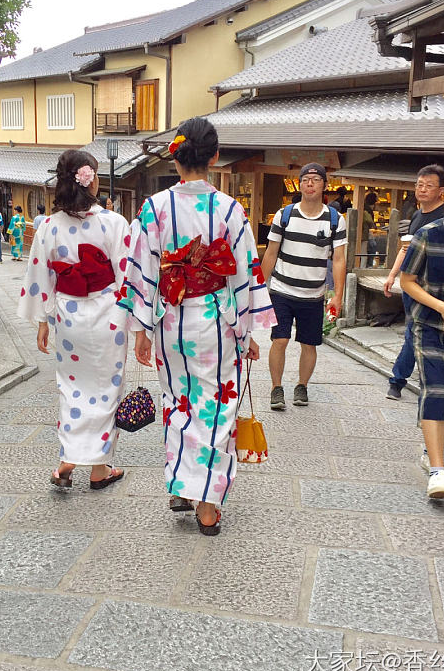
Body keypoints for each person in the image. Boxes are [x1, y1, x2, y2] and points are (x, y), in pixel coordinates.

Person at [119, 117, 274, 536]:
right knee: (217, 407)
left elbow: (142, 272)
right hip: (216, 322)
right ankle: (207, 505)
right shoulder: (230, 209)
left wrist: (141, 331)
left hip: (171, 320)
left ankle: (181, 485)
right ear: (215, 156)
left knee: (179, 402)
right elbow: (243, 273)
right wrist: (246, 333)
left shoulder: (154, 208)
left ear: (178, 155)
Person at [17, 150, 130, 490]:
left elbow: (40, 276)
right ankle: (98, 469)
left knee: (71, 389)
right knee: (107, 390)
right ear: (91, 178)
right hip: (109, 316)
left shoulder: (49, 227)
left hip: (68, 317)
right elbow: (127, 277)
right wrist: (140, 326)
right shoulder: (114, 223)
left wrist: (42, 321)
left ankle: (68, 459)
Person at [399, 167, 444, 499]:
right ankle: (438, 472)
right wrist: (441, 306)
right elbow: (408, 281)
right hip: (428, 324)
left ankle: (431, 449)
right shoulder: (428, 234)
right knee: (436, 389)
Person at [261, 162, 347, 410]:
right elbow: (271, 253)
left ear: (324, 185)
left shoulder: (334, 219)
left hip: (314, 293)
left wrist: (337, 295)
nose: (310, 184)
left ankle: (302, 385)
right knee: (280, 339)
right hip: (282, 289)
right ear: (299, 184)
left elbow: (339, 259)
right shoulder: (284, 215)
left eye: (316, 179)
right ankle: (276, 388)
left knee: (309, 344)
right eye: (306, 179)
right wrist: (258, 289)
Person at [384, 165, 444, 401]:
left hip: (436, 286)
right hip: (412, 283)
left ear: (441, 191)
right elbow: (405, 249)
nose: (422, 189)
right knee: (415, 331)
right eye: (419, 184)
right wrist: (392, 275)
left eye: (428, 186)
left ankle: (400, 381)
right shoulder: (417, 215)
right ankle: (405, 381)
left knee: (419, 333)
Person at [360, 192, 377, 268]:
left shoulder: (362, 208)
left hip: (359, 234)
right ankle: (363, 267)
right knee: (364, 252)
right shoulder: (367, 211)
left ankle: (360, 266)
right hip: (364, 234)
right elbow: (370, 222)